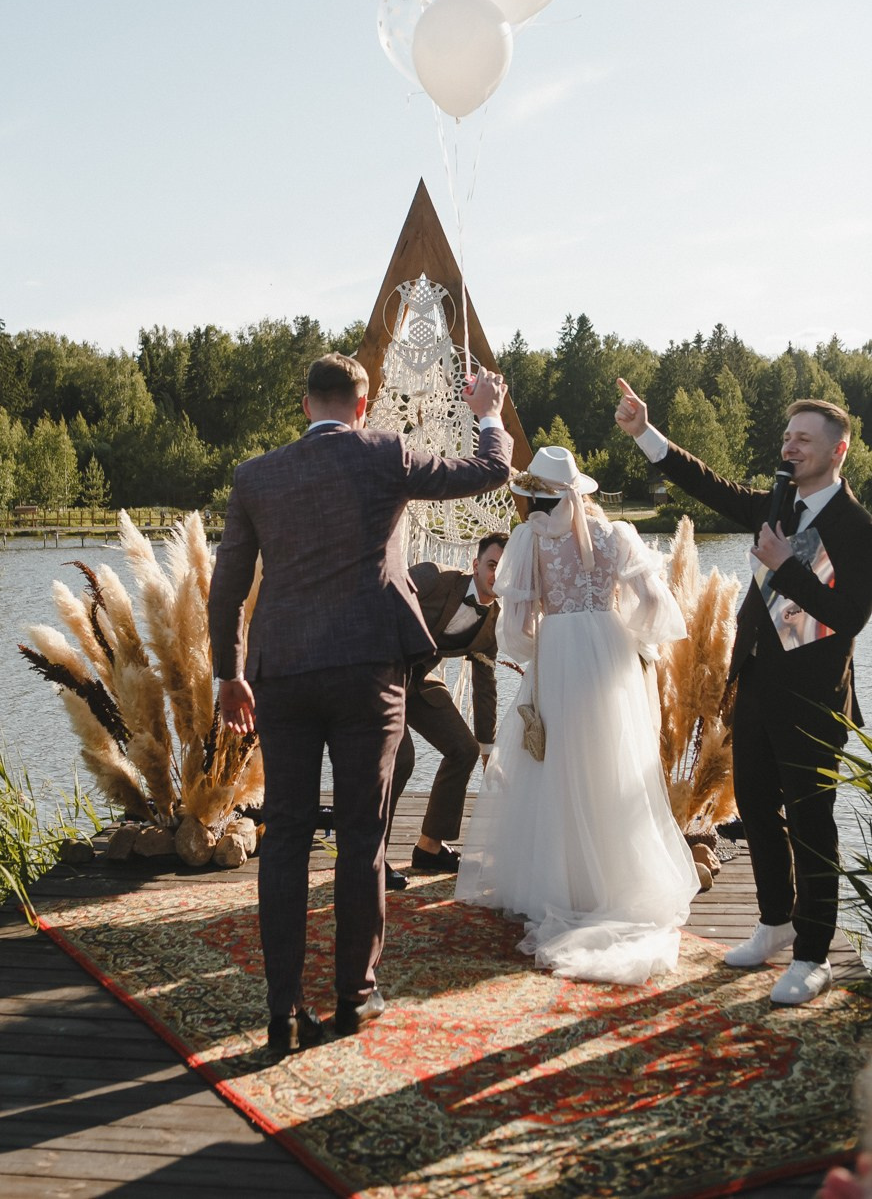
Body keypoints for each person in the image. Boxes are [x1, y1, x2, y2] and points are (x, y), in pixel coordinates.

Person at [208, 352, 511, 1055]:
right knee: (362, 835)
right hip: (367, 669)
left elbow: (227, 586)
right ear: (363, 406)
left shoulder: (255, 476)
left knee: (284, 835)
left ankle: (281, 1010)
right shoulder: (386, 455)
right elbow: (489, 470)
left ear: (306, 407)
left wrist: (229, 674)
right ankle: (354, 997)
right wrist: (488, 411)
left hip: (279, 670)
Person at [615, 379, 872, 1006]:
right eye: (787, 437)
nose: (790, 448)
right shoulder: (777, 505)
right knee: (755, 810)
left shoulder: (856, 525)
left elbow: (851, 613)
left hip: (812, 703)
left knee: (812, 826)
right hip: (753, 689)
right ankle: (774, 924)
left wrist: (786, 564)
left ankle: (814, 955)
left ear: (837, 451)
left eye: (803, 439)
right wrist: (646, 433)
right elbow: (709, 485)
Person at [455, 446, 700, 985]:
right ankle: (609, 880)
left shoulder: (530, 540)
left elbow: (516, 629)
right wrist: (625, 634)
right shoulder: (617, 537)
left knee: (555, 763)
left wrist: (545, 636)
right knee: (610, 761)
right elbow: (655, 608)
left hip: (560, 652)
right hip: (607, 654)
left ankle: (558, 882)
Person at [384, 533, 508, 887]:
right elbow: (379, 602)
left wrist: (488, 750)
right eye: (491, 565)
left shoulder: (494, 621)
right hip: (379, 676)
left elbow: (485, 686)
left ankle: (429, 847)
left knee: (463, 749)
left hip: (419, 683)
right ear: (475, 565)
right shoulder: (432, 577)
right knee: (401, 758)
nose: (496, 575)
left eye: (504, 568)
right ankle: (370, 861)